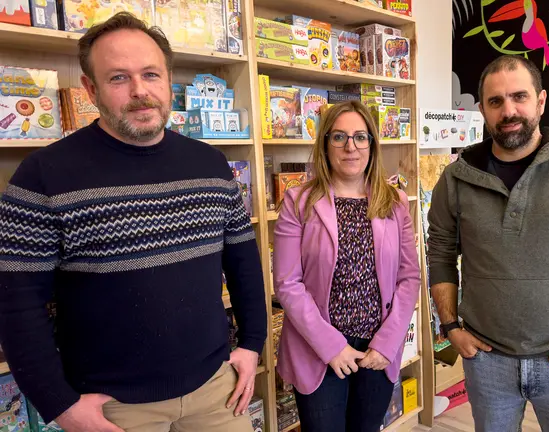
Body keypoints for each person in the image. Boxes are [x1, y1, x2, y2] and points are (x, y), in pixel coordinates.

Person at [0, 12, 266, 432]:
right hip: (114, 410)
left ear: (168, 78)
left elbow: (245, 265)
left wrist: (253, 344)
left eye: (151, 74)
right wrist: (61, 405)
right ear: (91, 89)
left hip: (217, 392)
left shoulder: (211, 165)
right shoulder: (42, 175)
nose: (141, 92)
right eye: (119, 78)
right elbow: (16, 304)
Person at [427, 55, 549, 432]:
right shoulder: (455, 179)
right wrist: (451, 326)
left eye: (519, 96)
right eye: (495, 101)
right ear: (483, 110)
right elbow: (439, 255)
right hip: (488, 362)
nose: (509, 110)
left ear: (541, 101)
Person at [272, 100, 421, 432]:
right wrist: (332, 346)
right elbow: (287, 283)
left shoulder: (394, 201)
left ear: (372, 143)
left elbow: (409, 277)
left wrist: (388, 342)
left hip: (377, 351)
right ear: (325, 145)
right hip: (319, 352)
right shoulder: (299, 201)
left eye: (360, 137)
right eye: (339, 137)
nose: (350, 146)